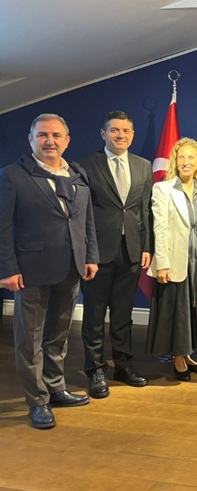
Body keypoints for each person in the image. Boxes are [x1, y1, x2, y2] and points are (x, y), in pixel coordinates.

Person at [0, 113, 99, 429]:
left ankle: (56, 388)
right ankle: (37, 401)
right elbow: (2, 227)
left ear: (67, 141)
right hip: (30, 272)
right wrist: (7, 268)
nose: (49, 141)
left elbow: (86, 220)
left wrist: (90, 256)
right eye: (42, 135)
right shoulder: (13, 175)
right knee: (29, 341)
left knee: (58, 334)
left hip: (71, 267)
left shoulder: (77, 174)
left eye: (56, 135)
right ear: (31, 139)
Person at [80, 111, 152, 398]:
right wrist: (86, 251)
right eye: (114, 130)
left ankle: (123, 365)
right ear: (103, 134)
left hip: (132, 250)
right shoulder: (85, 165)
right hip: (97, 253)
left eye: (125, 131)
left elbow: (144, 209)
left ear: (132, 135)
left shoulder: (144, 166)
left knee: (123, 314)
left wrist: (146, 246)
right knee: (94, 314)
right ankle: (95, 370)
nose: (120, 135)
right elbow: (82, 213)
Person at [146, 138, 197, 381]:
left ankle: (187, 355)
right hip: (175, 258)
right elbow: (160, 228)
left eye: (191, 157)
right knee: (178, 309)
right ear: (175, 161)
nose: (186, 162)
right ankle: (178, 358)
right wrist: (162, 264)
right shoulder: (163, 189)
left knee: (194, 307)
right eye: (181, 157)